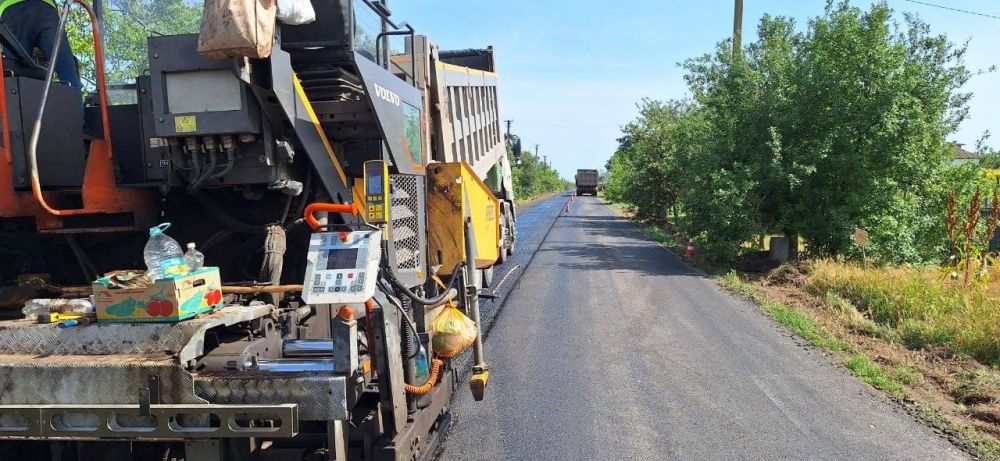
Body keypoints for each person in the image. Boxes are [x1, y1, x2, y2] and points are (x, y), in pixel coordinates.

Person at [0, 0, 82, 88]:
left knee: (16, 75)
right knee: (65, 66)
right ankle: (75, 91)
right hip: (45, 9)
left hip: (11, 10)